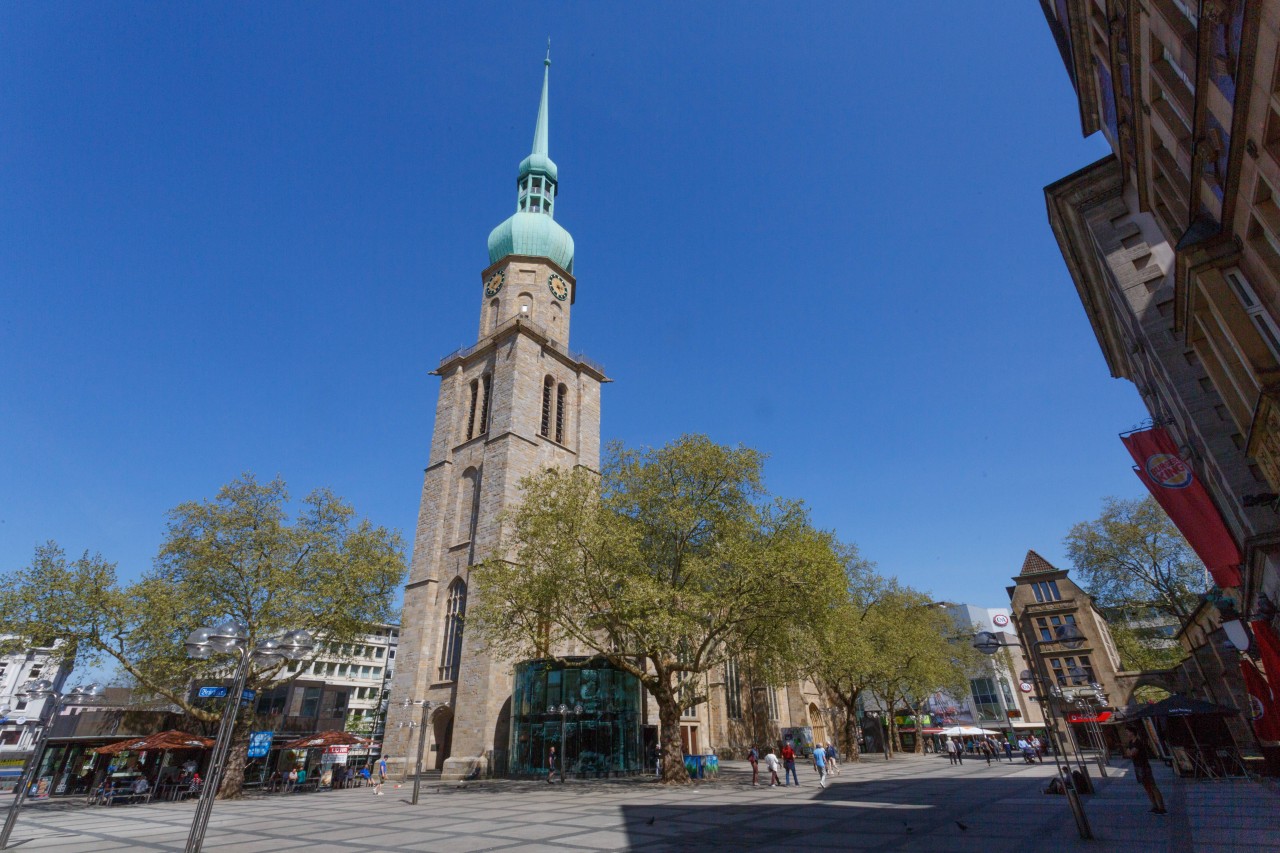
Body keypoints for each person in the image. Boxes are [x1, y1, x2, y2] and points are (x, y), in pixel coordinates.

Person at [1124, 727, 1166, 815]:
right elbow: (1128, 753)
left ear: (1132, 732)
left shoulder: (1138, 742)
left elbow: (1131, 753)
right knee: (1146, 787)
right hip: (1138, 767)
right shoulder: (1131, 743)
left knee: (1152, 786)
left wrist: (1129, 752)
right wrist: (1129, 751)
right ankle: (1155, 806)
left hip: (1144, 767)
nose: (1126, 734)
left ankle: (1161, 807)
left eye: (1127, 732)